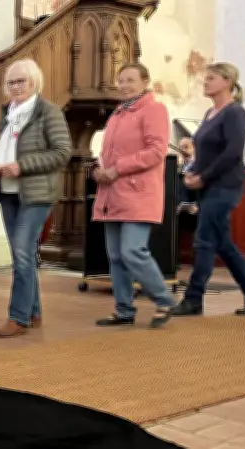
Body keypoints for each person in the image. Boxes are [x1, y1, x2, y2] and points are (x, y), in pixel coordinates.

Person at [171, 62, 245, 317]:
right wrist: (192, 171)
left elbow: (232, 152)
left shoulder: (235, 113)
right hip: (207, 185)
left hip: (225, 185)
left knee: (204, 240)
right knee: (222, 243)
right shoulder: (209, 113)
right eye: (206, 78)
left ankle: (193, 299)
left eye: (211, 78)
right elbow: (205, 151)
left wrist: (203, 177)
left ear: (227, 82)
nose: (205, 82)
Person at [0, 59, 72, 337]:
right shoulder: (8, 112)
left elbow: (62, 152)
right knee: (22, 254)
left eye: (21, 81)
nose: (15, 86)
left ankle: (18, 317)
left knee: (22, 253)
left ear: (34, 82)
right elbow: (6, 148)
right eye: (11, 82)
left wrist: (22, 166)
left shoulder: (48, 111)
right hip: (8, 191)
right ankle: (33, 312)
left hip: (36, 193)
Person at [91, 63, 175, 328]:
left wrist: (117, 169)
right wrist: (99, 169)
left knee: (132, 251)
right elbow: (108, 152)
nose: (124, 85)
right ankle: (124, 310)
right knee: (116, 256)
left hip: (138, 192)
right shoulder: (118, 113)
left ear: (145, 82)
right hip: (112, 192)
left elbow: (156, 151)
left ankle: (164, 300)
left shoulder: (154, 109)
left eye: (131, 80)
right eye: (121, 80)